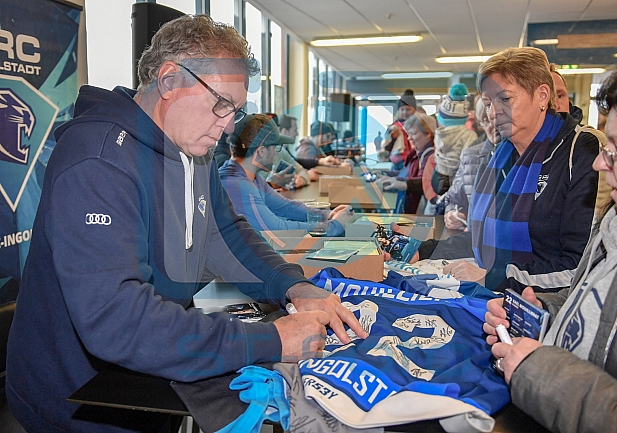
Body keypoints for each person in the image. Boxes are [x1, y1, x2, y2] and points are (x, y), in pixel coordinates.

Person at [5, 15, 366, 432]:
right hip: (77, 396)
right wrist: (272, 339)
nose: (229, 124)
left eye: (236, 110)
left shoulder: (194, 152)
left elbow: (224, 235)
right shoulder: (99, 161)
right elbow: (116, 319)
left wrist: (294, 285)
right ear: (170, 80)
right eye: (220, 103)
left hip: (149, 373)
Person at [484, 56, 617, 433]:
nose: (600, 165)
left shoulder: (579, 155)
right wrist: (539, 311)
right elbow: (594, 304)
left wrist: (541, 372)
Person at [427, 47, 609, 293]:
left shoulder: (582, 150)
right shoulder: (495, 155)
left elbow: (581, 267)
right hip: (493, 301)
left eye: (505, 99)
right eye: (488, 103)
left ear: (542, 96)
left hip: (545, 310)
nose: (493, 113)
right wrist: (423, 249)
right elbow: (481, 240)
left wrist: (493, 277)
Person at [219, 114, 352, 235]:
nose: (277, 152)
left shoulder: (253, 178)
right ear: (261, 152)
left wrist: (327, 214)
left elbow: (286, 207)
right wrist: (332, 227)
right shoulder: (236, 184)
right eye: (276, 147)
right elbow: (277, 228)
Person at [437, 97, 501, 228]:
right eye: (486, 121)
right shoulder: (470, 156)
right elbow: (453, 199)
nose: (493, 125)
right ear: (480, 125)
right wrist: (453, 214)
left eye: (497, 119)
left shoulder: (522, 153)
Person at [379, 112, 436, 214]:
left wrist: (403, 184)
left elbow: (424, 183)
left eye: (413, 134)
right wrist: (385, 174)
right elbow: (406, 173)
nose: (409, 138)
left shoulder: (430, 157)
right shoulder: (416, 154)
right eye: (408, 134)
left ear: (428, 134)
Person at [432, 83, 478, 196]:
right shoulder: (469, 135)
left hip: (437, 175)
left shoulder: (439, 134)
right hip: (453, 180)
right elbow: (468, 161)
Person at [256, 114, 313, 189]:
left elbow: (301, 170)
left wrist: (300, 180)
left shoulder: (281, 151)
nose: (276, 151)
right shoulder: (248, 165)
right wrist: (272, 184)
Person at [382, 89, 416, 170]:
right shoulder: (394, 126)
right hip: (396, 162)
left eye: (408, 109)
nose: (405, 112)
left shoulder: (417, 126)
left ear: (413, 110)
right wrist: (393, 137)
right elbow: (386, 147)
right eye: (402, 109)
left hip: (410, 161)